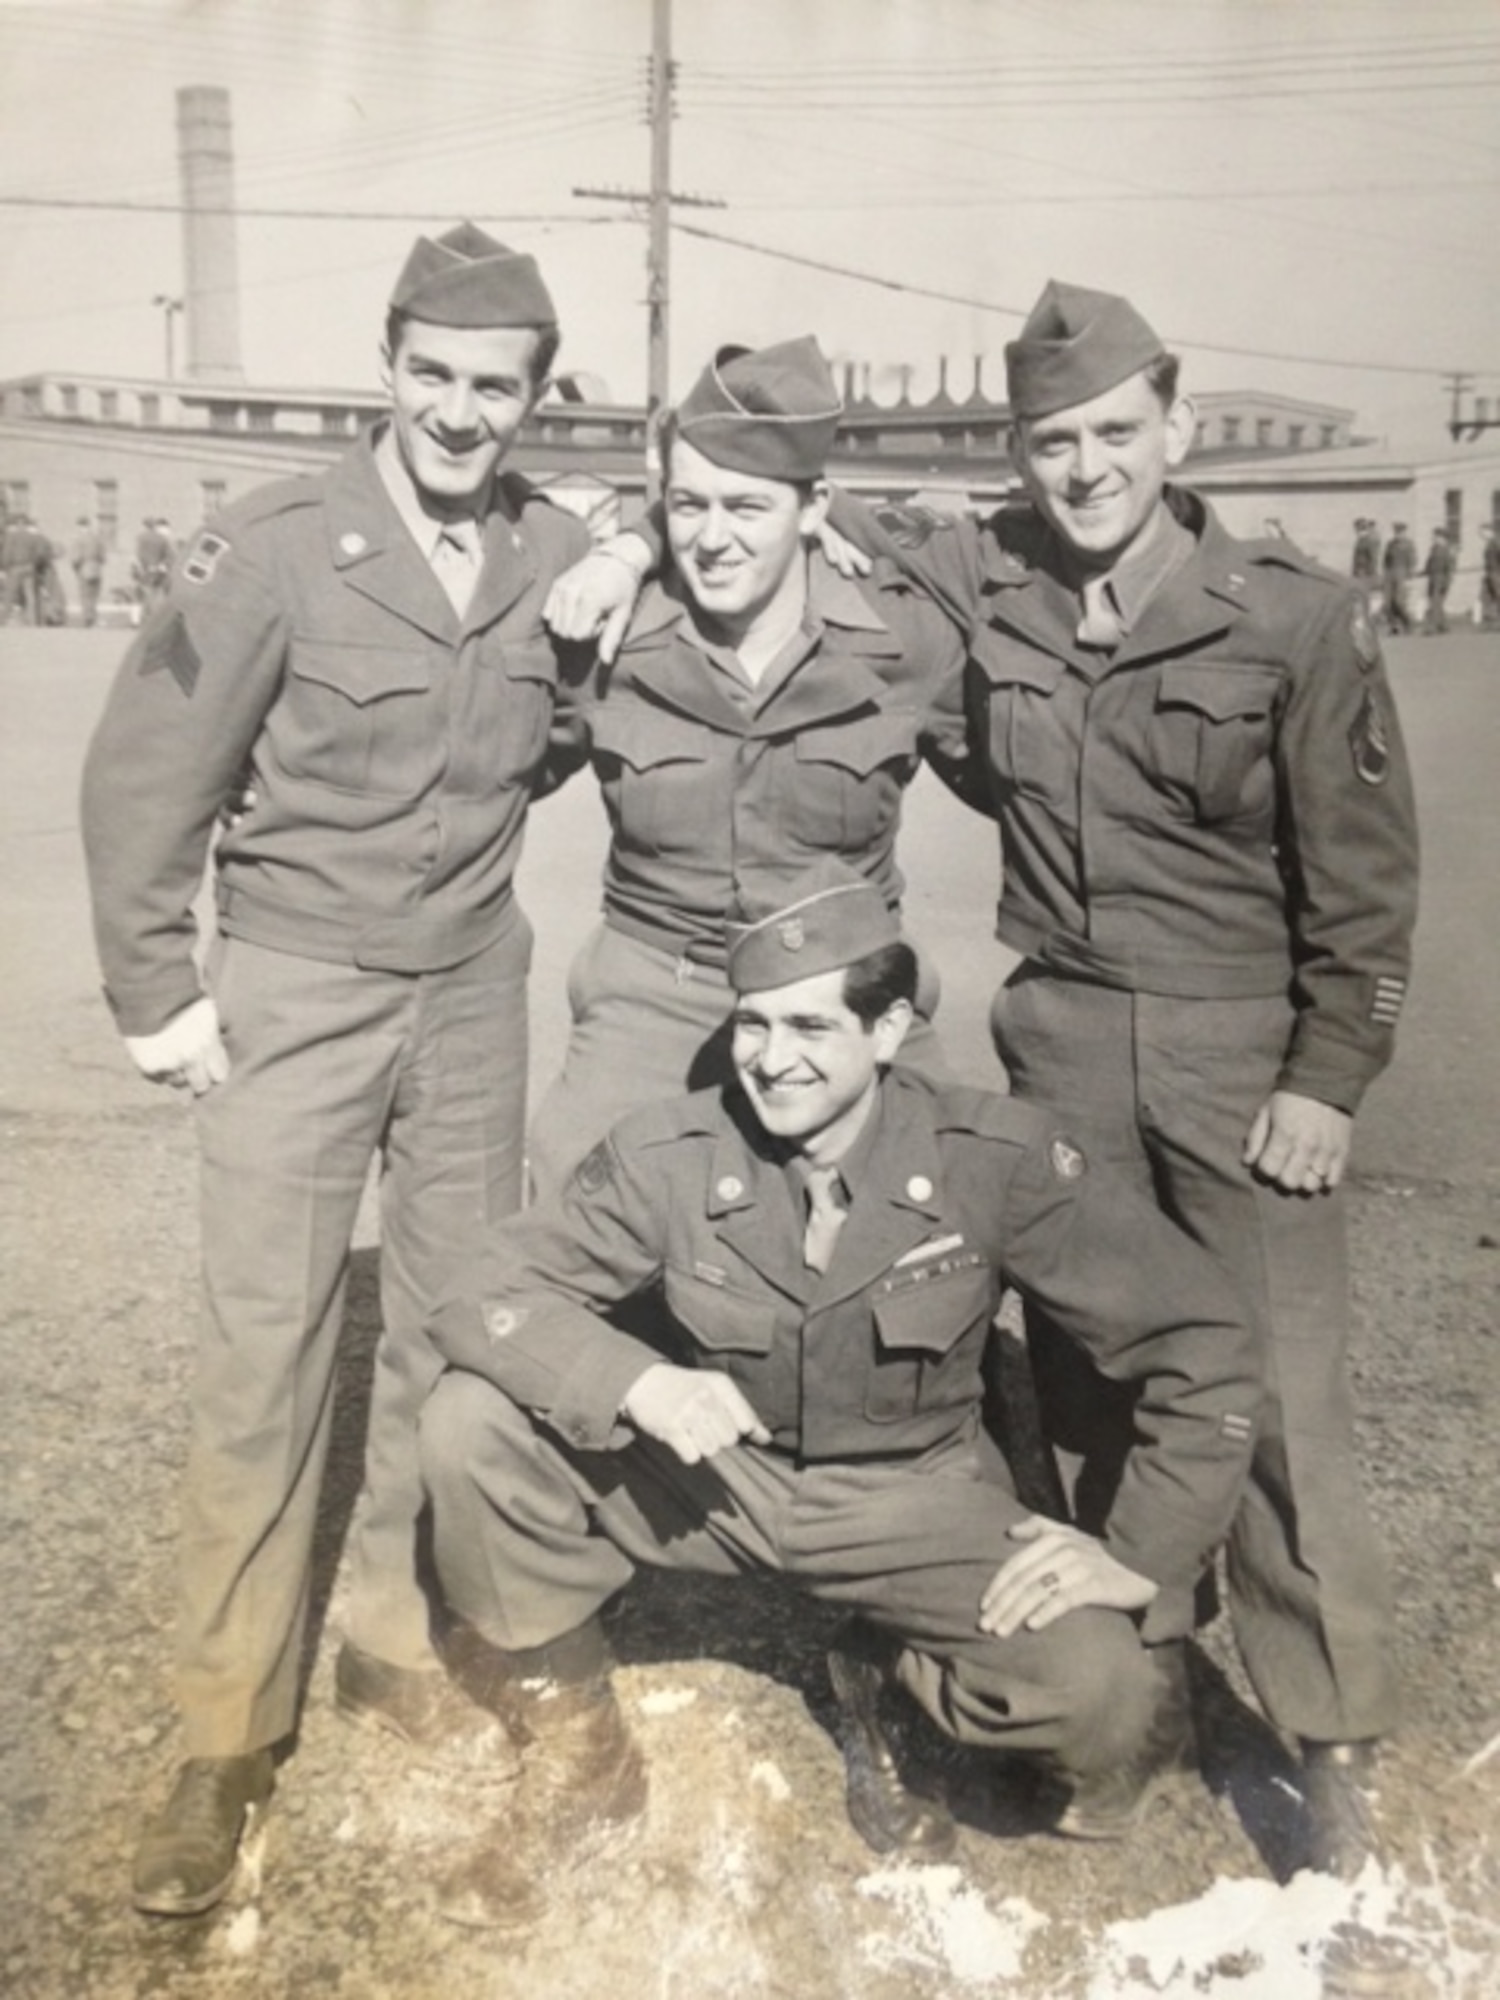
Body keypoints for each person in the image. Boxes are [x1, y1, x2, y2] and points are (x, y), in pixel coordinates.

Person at [787, 280, 1416, 1880]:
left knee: (1273, 1400)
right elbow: (828, 518)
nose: (1085, 470)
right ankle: (1128, 1705)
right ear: (1019, 457)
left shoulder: (1293, 613)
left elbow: (1362, 886)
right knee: (1083, 1384)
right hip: (1060, 1038)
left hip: (1236, 1052)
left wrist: (1328, 1075)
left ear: (1176, 431)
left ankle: (1331, 1743)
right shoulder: (991, 581)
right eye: (1053, 443)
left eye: (1115, 434)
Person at [414, 863, 1261, 1929]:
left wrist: (1138, 1556)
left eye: (811, 1026)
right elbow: (483, 1290)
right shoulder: (668, 1151)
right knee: (470, 1417)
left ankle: (889, 1676)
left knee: (1108, 1700)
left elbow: (1205, 1341)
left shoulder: (992, 1157)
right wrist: (638, 1378)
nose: (772, 1061)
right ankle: (580, 1748)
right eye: (752, 1025)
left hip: (913, 1491)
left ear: (891, 1027)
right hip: (716, 1480)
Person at [80, 221, 591, 1919]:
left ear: (536, 397)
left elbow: (566, 736)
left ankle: (387, 1634)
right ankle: (220, 1735)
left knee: (449, 1341)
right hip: (298, 989)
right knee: (266, 1355)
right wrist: (164, 992)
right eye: (433, 377)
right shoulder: (274, 544)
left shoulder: (555, 553)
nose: (460, 413)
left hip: (471, 994)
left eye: (495, 389)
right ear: (387, 367)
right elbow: (147, 776)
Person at [527, 336, 977, 1197]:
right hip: (660, 989)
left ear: (814, 510)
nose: (714, 539)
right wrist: (630, 550)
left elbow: (1019, 779)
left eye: (747, 507)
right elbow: (497, 763)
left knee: (944, 1213)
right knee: (569, 1207)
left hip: (850, 992)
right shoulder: (614, 642)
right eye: (688, 508)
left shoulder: (904, 642)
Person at [1381, 521, 1418, 634]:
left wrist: (1410, 575)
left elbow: (1412, 560)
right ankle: (1393, 626)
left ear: (1404, 532)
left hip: (1401, 573)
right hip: (1390, 573)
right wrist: (1385, 572)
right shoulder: (1390, 544)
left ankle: (1408, 623)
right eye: (1396, 532)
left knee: (1398, 601)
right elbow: (1386, 559)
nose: (1397, 534)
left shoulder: (1409, 544)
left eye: (1400, 532)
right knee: (1387, 602)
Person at [134, 516, 175, 614]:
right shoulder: (162, 539)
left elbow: (138, 555)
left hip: (144, 570)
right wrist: (162, 565)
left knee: (143, 594)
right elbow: (169, 555)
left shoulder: (140, 538)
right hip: (157, 570)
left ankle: (144, 616)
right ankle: (154, 615)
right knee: (156, 593)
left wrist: (140, 567)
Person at [72, 516, 107, 627]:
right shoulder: (97, 539)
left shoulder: (79, 539)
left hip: (84, 569)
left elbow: (76, 558)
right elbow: (103, 558)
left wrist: (75, 567)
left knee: (84, 595)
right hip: (96, 569)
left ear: (81, 526)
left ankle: (87, 618)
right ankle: (93, 617)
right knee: (94, 596)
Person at [1421, 527, 1455, 634]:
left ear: (1443, 538)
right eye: (1434, 536)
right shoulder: (1434, 548)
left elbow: (1450, 568)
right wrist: (1425, 571)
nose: (1434, 538)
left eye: (1436, 536)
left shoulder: (1448, 550)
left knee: (1435, 603)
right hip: (1433, 577)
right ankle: (1443, 625)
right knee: (1435, 602)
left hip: (1441, 578)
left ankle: (1432, 627)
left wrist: (1447, 582)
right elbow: (1429, 563)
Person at [1350, 518, 1380, 586]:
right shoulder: (1360, 540)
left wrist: (1371, 574)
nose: (1355, 531)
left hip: (1365, 573)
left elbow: (1373, 558)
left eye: (1357, 529)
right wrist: (1354, 573)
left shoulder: (1369, 541)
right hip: (1359, 572)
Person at [1481, 523, 1500, 628]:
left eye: (1483, 532)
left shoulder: (1496, 542)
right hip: (1490, 573)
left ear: (1490, 531)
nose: (1481, 534)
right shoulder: (1489, 543)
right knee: (1487, 596)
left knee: (1498, 595)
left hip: (1495, 573)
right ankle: (1490, 621)